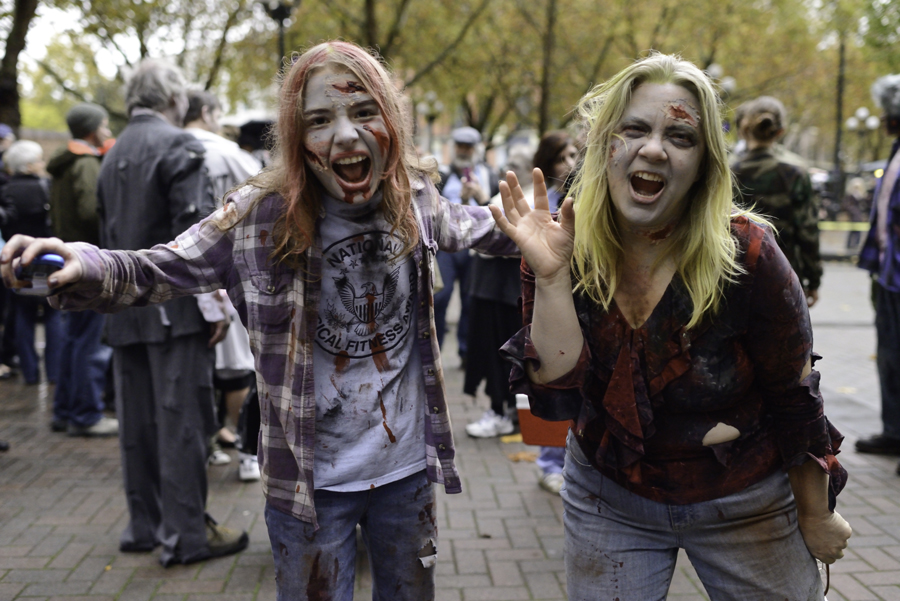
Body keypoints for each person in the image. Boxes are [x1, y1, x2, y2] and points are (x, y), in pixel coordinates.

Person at [1, 41, 515, 599]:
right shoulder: (257, 217)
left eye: (364, 111)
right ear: (297, 138)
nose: (345, 135)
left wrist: (570, 226)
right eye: (320, 120)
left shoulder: (412, 197)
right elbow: (161, 266)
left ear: (390, 118)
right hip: (309, 486)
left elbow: (484, 227)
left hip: (407, 472)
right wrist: (83, 260)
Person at [494, 53, 851, 599]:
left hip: (744, 499)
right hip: (607, 496)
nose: (654, 148)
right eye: (634, 128)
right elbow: (556, 394)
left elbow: (796, 399)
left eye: (680, 136)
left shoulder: (749, 257)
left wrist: (815, 514)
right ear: (604, 145)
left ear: (704, 162)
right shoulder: (562, 240)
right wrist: (549, 278)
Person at [94, 59, 243, 566]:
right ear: (174, 98)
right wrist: (214, 303)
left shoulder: (112, 154)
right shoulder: (179, 144)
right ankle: (186, 535)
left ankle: (145, 525)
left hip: (121, 308)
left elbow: (106, 234)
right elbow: (194, 238)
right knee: (181, 420)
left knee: (136, 423)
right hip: (171, 307)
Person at [184, 89, 262, 480]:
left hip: (177, 270)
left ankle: (212, 441)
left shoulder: (167, 148)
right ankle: (243, 446)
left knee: (195, 364)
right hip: (228, 270)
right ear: (207, 112)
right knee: (237, 366)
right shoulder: (229, 154)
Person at [46, 103, 118, 437]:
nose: (107, 130)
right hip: (86, 262)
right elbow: (92, 211)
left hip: (64, 257)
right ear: (91, 129)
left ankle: (64, 411)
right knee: (91, 342)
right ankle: (87, 414)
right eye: (104, 125)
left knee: (73, 339)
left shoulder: (62, 164)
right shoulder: (87, 163)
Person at [463, 144, 535, 439]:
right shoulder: (505, 192)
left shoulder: (528, 198)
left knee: (505, 355)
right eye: (510, 162)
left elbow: (505, 236)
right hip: (488, 288)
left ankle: (504, 410)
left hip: (505, 292)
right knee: (487, 350)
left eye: (518, 162)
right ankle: (501, 408)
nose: (511, 167)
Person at [731, 96, 822, 307]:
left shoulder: (727, 172)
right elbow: (807, 231)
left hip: (734, 275)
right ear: (780, 132)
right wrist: (813, 280)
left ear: (744, 130)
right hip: (784, 274)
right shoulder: (795, 173)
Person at [856, 74, 900, 460]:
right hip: (890, 277)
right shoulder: (896, 152)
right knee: (890, 354)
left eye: (888, 113)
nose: (883, 120)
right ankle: (894, 431)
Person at [434, 126, 500, 366]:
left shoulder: (490, 175)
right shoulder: (441, 174)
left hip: (477, 247)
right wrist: (461, 199)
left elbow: (495, 210)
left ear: (476, 149)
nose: (463, 150)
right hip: (447, 248)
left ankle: (465, 352)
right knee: (440, 297)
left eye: (468, 147)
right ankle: (436, 352)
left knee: (470, 302)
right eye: (460, 146)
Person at [0, 140, 63, 386]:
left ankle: (30, 374)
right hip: (48, 259)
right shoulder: (47, 187)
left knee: (22, 314)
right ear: (28, 165)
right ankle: (55, 373)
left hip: (17, 261)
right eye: (38, 160)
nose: (42, 164)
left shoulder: (5, 190)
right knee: (53, 310)